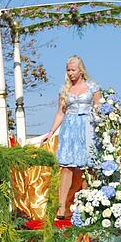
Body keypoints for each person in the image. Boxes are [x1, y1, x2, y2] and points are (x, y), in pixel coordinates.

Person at [39, 55, 103, 219]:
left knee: (87, 168)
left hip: (87, 128)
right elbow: (60, 113)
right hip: (69, 129)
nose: (70, 73)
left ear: (80, 70)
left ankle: (87, 206)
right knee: (67, 167)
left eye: (73, 70)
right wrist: (51, 132)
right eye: (68, 70)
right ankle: (61, 208)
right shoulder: (64, 89)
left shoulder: (93, 87)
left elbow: (100, 109)